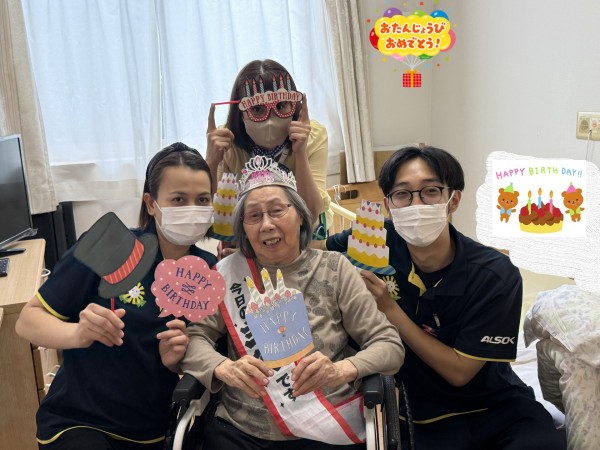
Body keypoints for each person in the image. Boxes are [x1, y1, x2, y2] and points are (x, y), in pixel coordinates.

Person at [324, 146, 566, 450]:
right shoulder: (371, 240)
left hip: (496, 404)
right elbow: (309, 250)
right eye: (402, 194)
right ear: (388, 205)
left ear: (454, 200)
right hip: (421, 411)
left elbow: (459, 372)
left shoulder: (495, 275)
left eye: (430, 191)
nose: (416, 204)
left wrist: (390, 309)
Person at [181, 155, 404, 449]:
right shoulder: (226, 274)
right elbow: (195, 338)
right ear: (243, 227)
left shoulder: (335, 269)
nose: (267, 225)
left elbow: (389, 345)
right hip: (240, 429)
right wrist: (223, 367)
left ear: (300, 215)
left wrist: (341, 370)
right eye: (253, 216)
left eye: (277, 210)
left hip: (326, 426)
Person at [15, 142, 218, 450]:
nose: (191, 209)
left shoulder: (209, 272)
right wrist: (78, 333)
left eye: (202, 200)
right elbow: (27, 321)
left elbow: (203, 357)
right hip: (80, 420)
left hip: (153, 429)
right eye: (178, 199)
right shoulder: (110, 244)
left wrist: (177, 363)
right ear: (151, 203)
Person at [205, 59, 331, 240]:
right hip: (252, 241)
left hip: (305, 239)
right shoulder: (226, 141)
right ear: (240, 113)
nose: (270, 120)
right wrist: (211, 162)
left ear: (294, 105)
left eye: (281, 106)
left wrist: (300, 153)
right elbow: (211, 216)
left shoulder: (313, 135)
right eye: (257, 109)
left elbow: (310, 212)